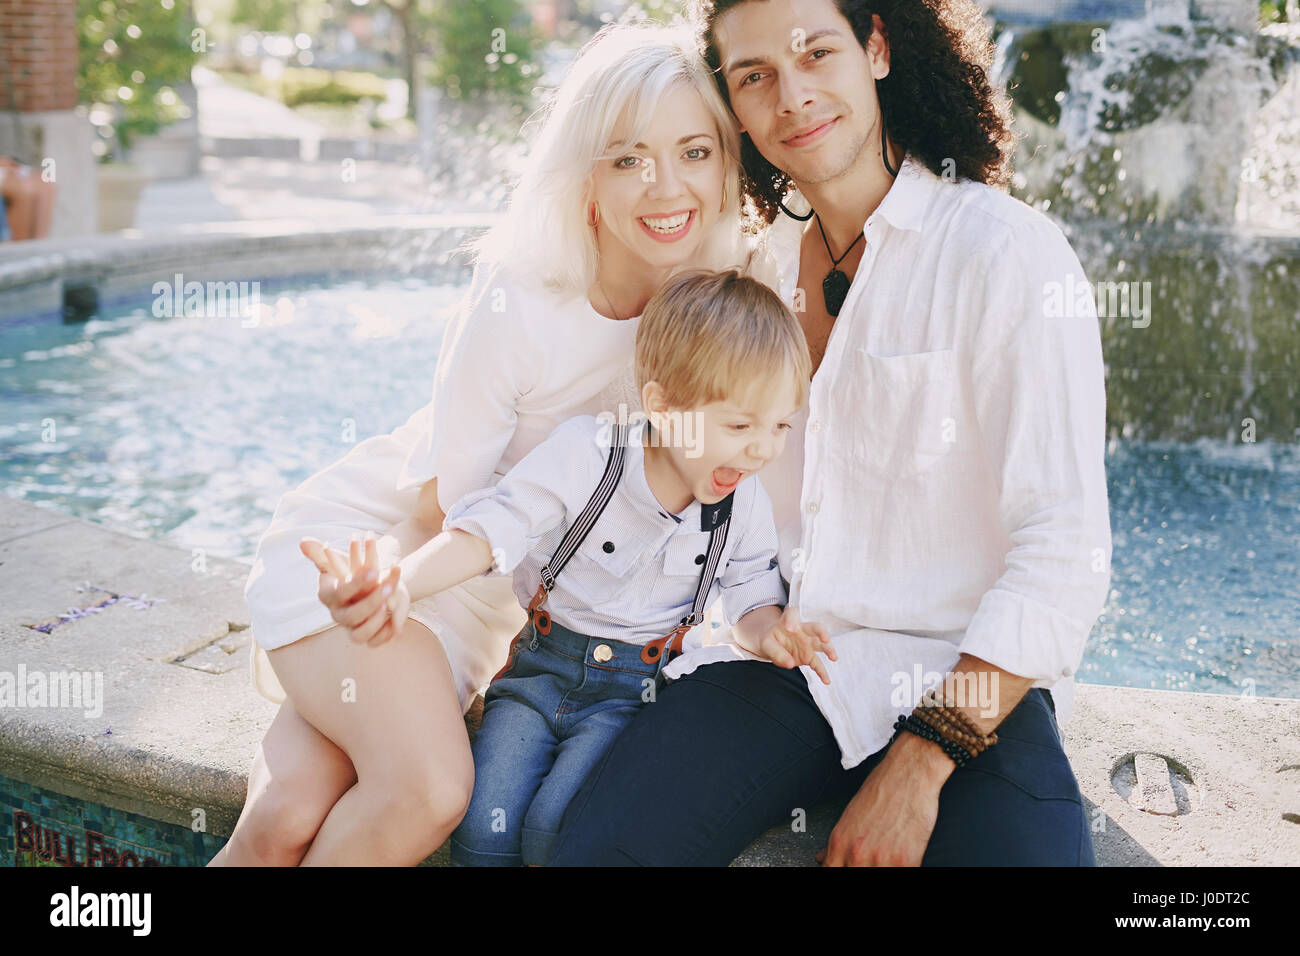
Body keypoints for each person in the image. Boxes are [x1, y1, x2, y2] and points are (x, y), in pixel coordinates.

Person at [548, 0, 1112, 867]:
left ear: (877, 48)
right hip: (788, 663)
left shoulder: (1006, 255)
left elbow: (1064, 550)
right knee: (597, 852)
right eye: (755, 75)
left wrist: (923, 761)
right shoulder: (754, 269)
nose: (793, 96)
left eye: (817, 54)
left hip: (967, 681)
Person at [211, 21, 753, 866]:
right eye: (627, 159)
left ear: (726, 167)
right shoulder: (523, 296)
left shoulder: (726, 306)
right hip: (407, 553)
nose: (665, 186)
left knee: (296, 809)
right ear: (585, 179)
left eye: (694, 151)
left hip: (502, 606)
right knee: (399, 795)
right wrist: (390, 587)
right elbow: (445, 504)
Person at [381, 268, 826, 866]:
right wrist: (402, 583)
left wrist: (770, 631)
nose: (763, 449)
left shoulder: (741, 503)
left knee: (551, 832)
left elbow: (749, 589)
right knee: (484, 832)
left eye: (779, 427)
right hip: (540, 672)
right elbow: (495, 529)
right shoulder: (591, 456)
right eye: (740, 425)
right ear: (663, 408)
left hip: (633, 694)